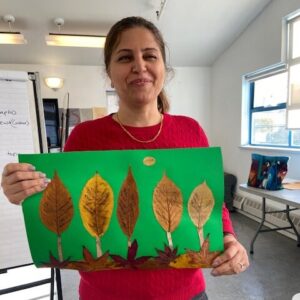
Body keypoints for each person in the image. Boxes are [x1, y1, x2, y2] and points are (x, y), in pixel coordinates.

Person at [1, 16, 249, 300]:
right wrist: (21, 190)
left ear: (163, 69)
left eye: (149, 56)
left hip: (185, 294)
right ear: (109, 71)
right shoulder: (85, 137)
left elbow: (212, 205)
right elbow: (61, 196)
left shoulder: (190, 131)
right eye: (125, 57)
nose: (139, 66)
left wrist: (229, 238)